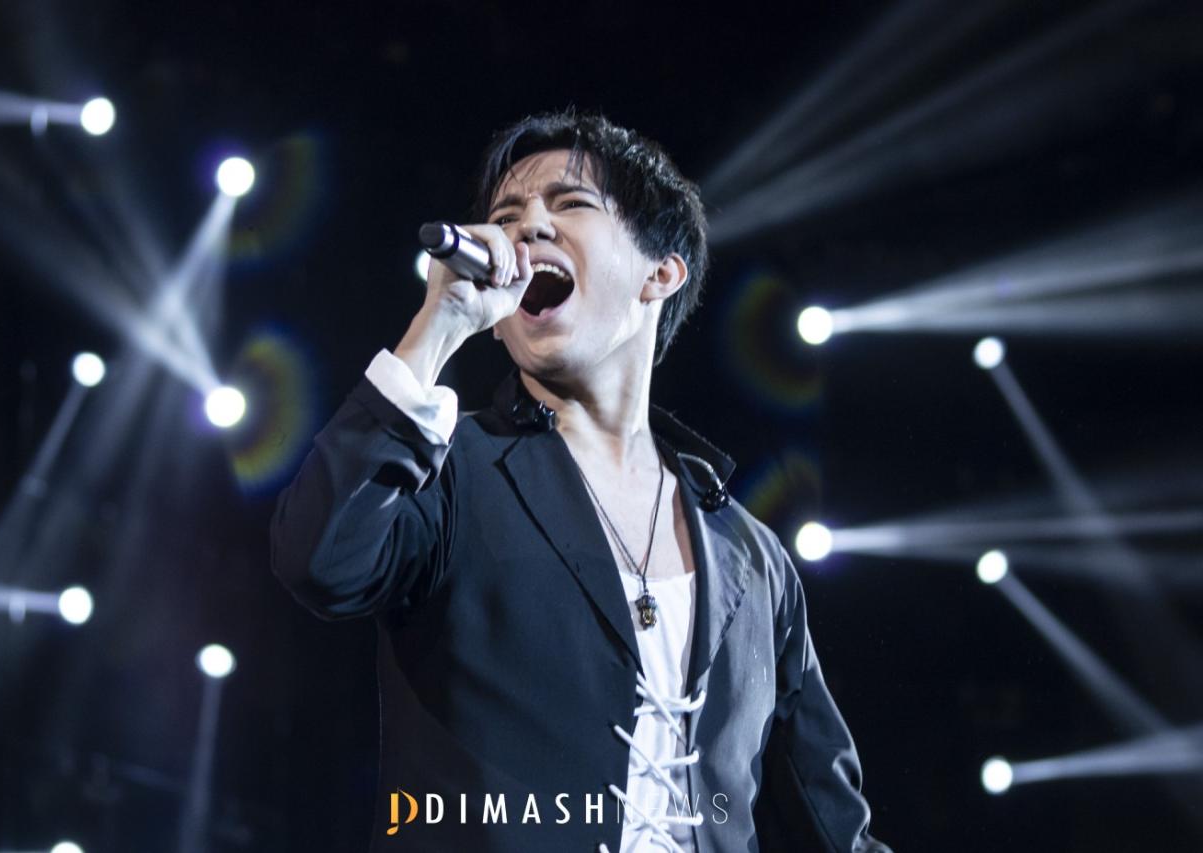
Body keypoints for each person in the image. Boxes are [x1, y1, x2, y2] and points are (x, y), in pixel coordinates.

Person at [271, 111, 891, 853]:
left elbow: (832, 826)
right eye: (506, 216)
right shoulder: (448, 466)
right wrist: (438, 327)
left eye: (569, 203)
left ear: (659, 273)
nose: (527, 227)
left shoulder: (752, 557)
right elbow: (319, 559)